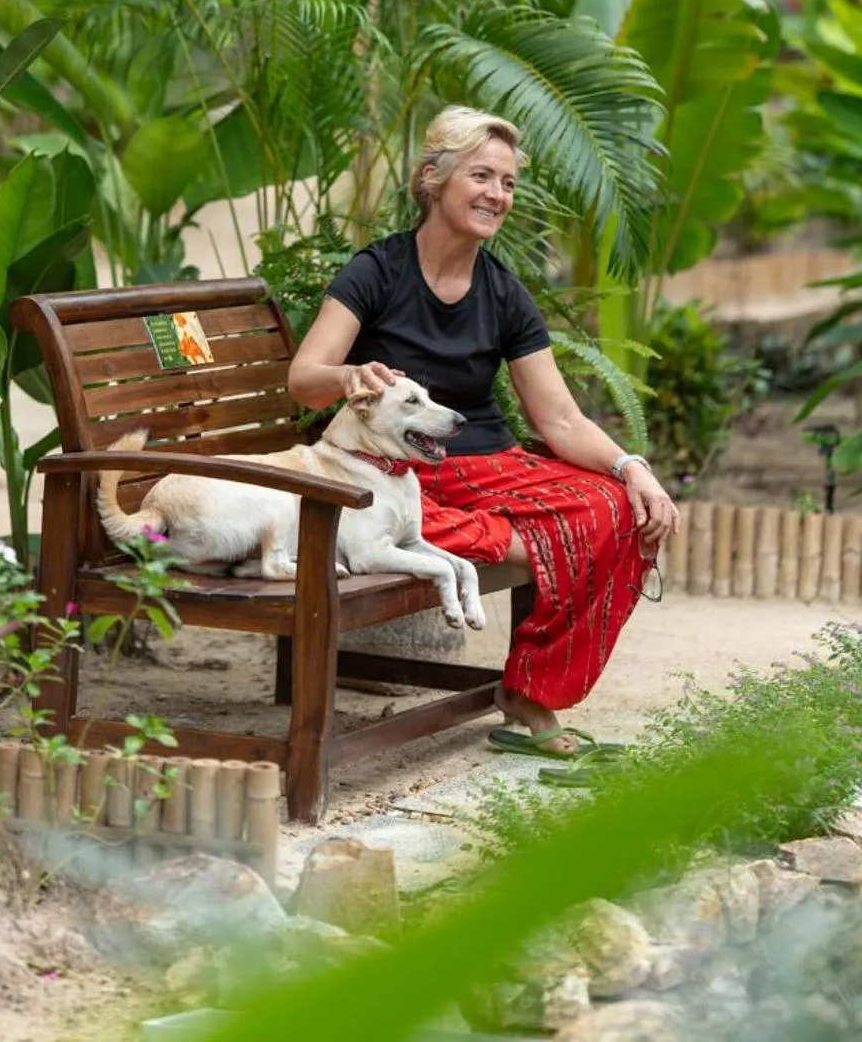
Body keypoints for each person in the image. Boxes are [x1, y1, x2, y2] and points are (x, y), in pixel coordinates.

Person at [287, 105, 679, 758]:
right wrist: (349, 376)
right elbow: (304, 379)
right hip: (397, 474)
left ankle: (530, 689)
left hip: (490, 467)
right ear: (434, 178)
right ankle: (526, 598)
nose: (497, 194)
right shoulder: (377, 271)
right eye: (481, 176)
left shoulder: (503, 291)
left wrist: (632, 467)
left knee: (620, 508)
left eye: (507, 182)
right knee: (571, 534)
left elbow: (559, 419)